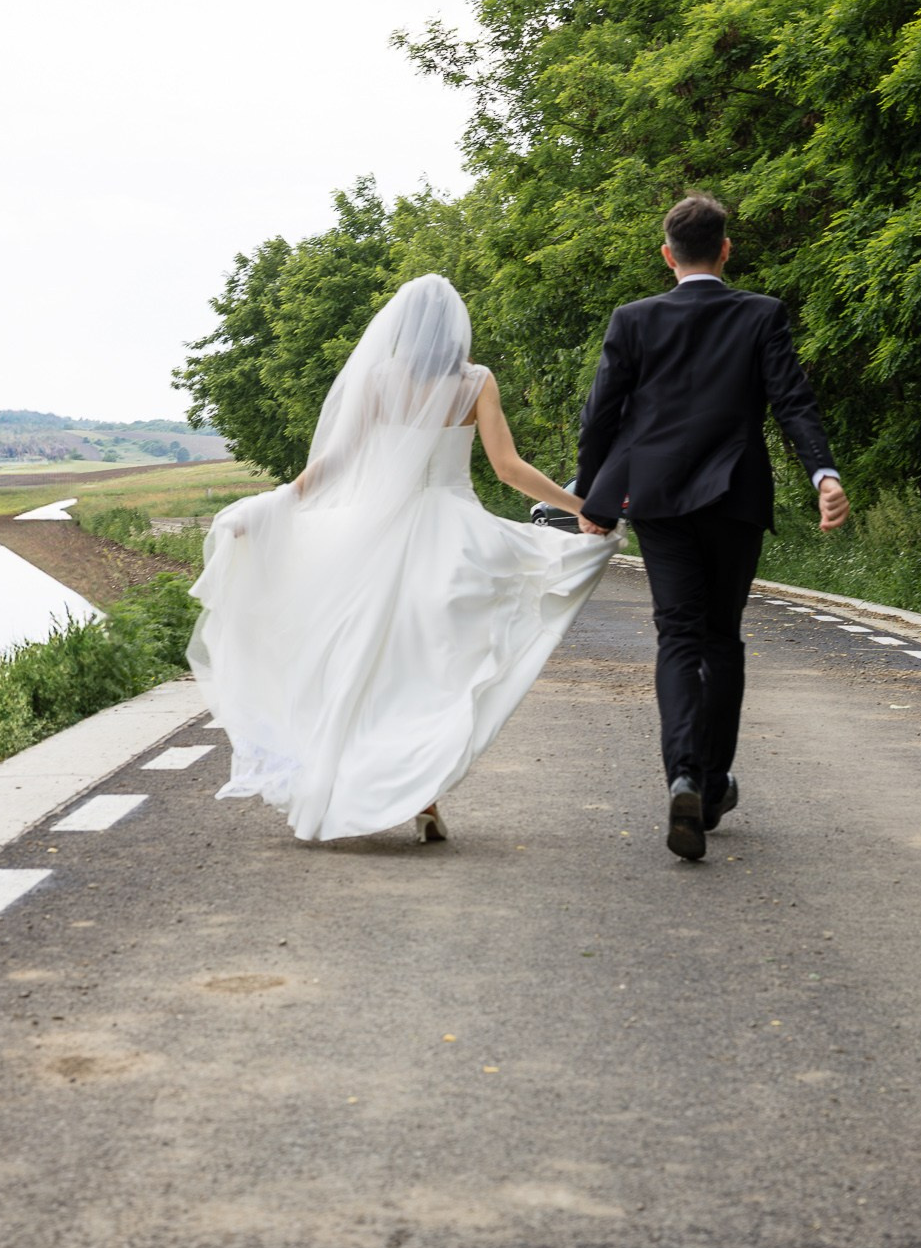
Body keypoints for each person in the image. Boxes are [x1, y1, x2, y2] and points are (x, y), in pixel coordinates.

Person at [188, 274, 622, 842]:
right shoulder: (475, 382)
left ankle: (370, 791)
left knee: (366, 674)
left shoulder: (378, 381)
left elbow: (336, 463)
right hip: (453, 541)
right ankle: (423, 794)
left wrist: (276, 506)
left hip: (374, 540)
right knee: (431, 678)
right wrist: (584, 507)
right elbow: (509, 469)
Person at [574, 192, 850, 861]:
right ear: (726, 250)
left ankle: (682, 776)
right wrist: (824, 475)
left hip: (658, 498)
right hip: (734, 497)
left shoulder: (633, 320)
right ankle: (713, 776)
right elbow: (793, 403)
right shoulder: (761, 314)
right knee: (721, 638)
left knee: (677, 634)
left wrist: (593, 500)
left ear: (667, 255)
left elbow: (601, 416)